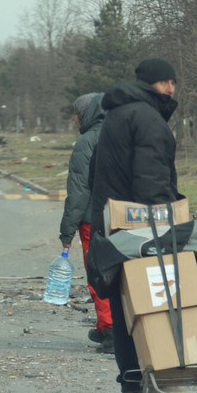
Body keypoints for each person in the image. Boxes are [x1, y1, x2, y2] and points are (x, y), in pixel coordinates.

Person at [89, 58, 183, 393]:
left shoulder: (114, 115)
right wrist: (164, 224)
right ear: (148, 84)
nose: (171, 88)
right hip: (142, 231)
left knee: (124, 308)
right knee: (155, 307)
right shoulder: (146, 118)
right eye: (165, 82)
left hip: (112, 229)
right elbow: (152, 178)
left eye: (174, 82)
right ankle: (158, 381)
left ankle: (130, 388)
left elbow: (94, 173)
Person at [58, 92, 111, 352]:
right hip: (125, 216)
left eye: (76, 115)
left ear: (88, 115)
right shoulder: (122, 134)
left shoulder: (86, 142)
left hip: (93, 220)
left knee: (98, 274)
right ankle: (115, 328)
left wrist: (66, 231)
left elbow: (79, 192)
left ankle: (109, 328)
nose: (74, 119)